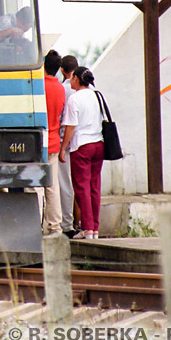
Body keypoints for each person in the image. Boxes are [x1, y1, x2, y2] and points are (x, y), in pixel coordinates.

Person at [60, 66, 104, 240]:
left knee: (81, 187)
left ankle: (86, 228)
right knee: (95, 187)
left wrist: (63, 148)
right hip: (99, 144)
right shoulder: (97, 96)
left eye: (72, 79)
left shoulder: (74, 99)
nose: (70, 81)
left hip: (82, 146)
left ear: (77, 79)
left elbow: (70, 127)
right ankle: (95, 228)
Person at [40, 49, 66, 234]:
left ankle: (36, 224)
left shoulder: (38, 86)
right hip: (54, 142)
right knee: (52, 185)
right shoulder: (60, 89)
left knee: (34, 186)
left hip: (37, 142)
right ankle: (55, 226)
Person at [59, 54, 79, 236]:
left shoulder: (63, 89)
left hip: (66, 143)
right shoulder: (90, 90)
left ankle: (67, 224)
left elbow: (64, 122)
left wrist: (62, 145)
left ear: (62, 70)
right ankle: (86, 224)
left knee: (65, 185)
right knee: (81, 184)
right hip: (83, 143)